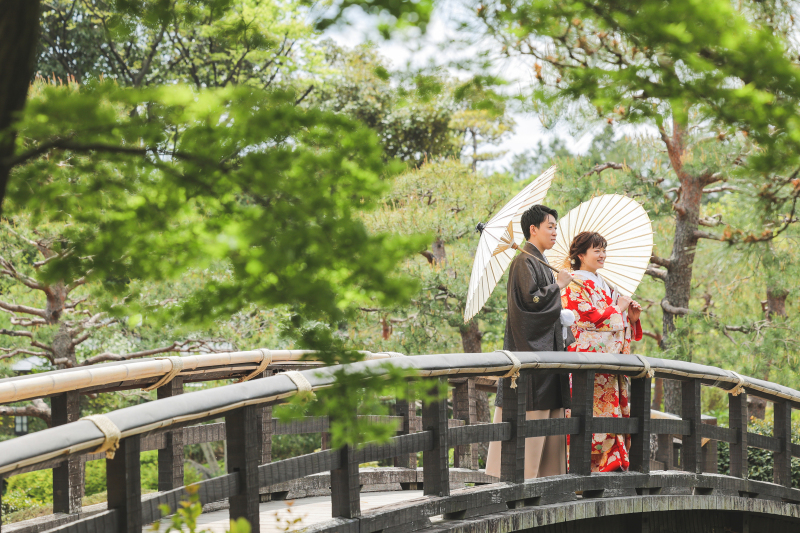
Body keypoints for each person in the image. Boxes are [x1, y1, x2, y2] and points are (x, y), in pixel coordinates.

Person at [485, 204, 575, 479]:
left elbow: (542, 304)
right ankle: (520, 478)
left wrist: (562, 318)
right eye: (550, 227)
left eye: (556, 227)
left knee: (548, 417)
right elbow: (530, 304)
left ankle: (545, 479)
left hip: (546, 353)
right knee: (531, 414)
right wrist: (558, 286)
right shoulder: (524, 261)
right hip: (531, 354)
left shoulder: (538, 262)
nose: (555, 232)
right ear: (532, 229)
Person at [562, 231, 643, 472]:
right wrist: (617, 309)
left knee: (612, 413)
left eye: (603, 250)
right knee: (587, 414)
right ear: (580, 255)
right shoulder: (573, 282)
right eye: (596, 250)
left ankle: (613, 463)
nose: (602, 255)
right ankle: (582, 468)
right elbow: (586, 319)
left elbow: (614, 319)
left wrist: (631, 317)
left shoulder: (606, 284)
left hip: (608, 363)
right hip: (588, 360)